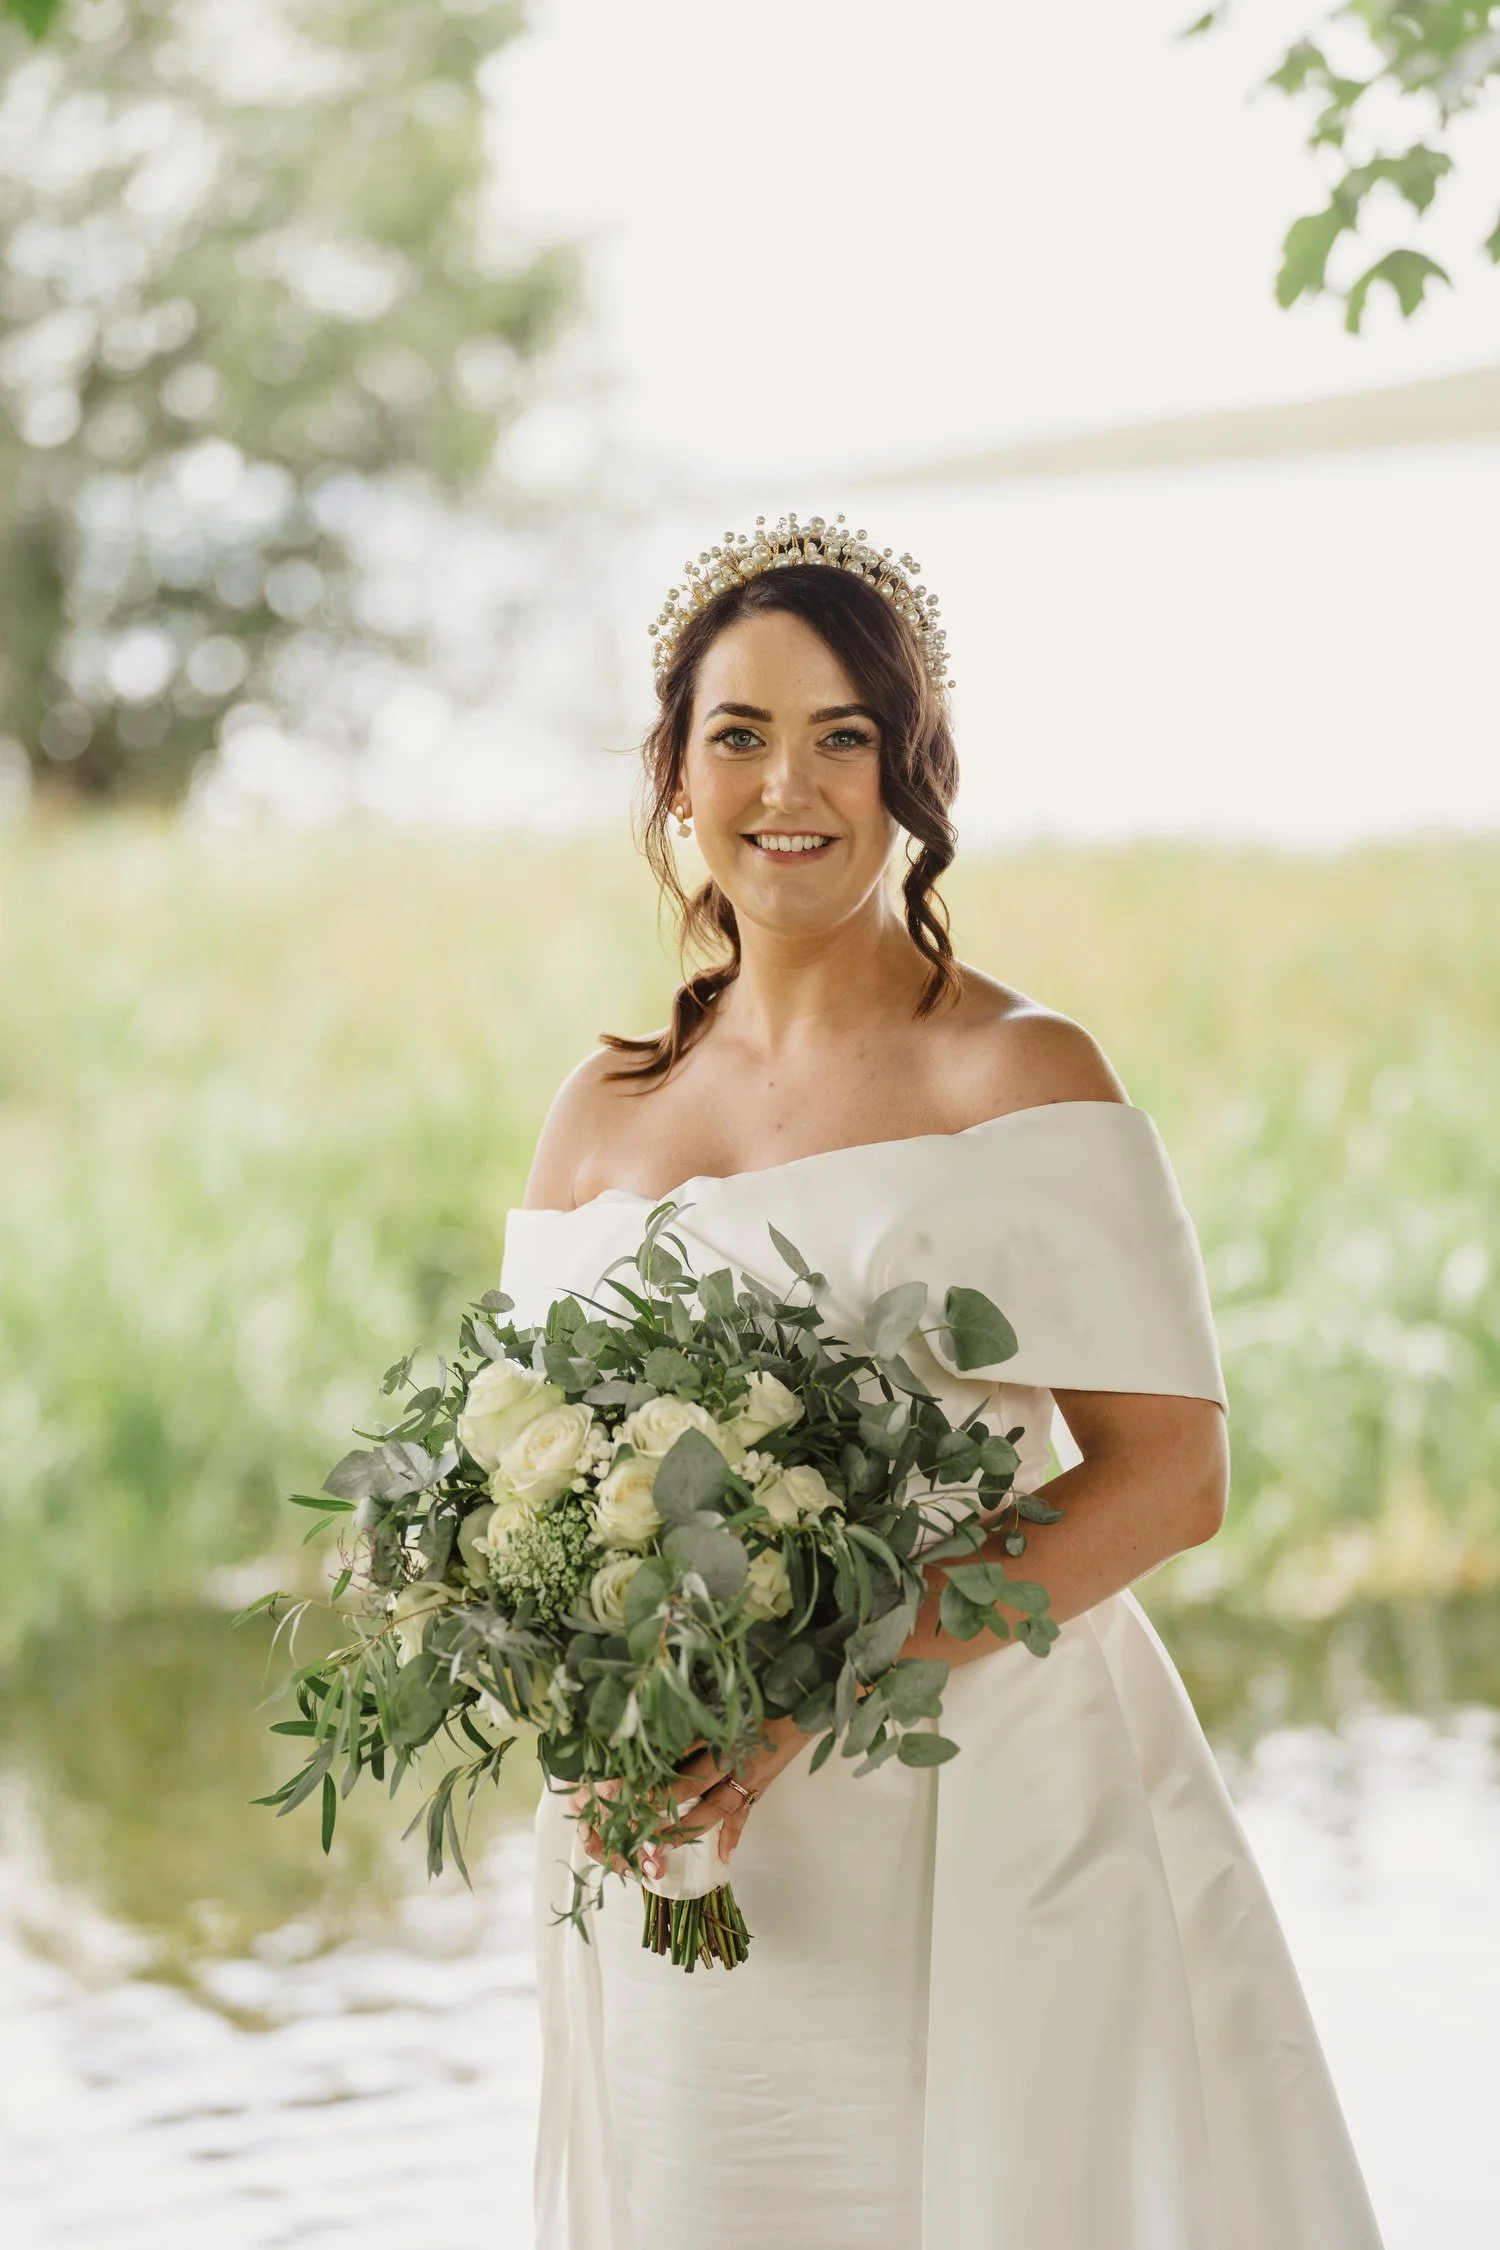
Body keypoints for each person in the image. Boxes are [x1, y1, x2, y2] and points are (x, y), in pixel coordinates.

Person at [500, 517, 1385, 2250]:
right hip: (680, 1832)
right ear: (675, 773)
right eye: (740, 732)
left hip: (972, 1802)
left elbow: (1168, 1474)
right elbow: (527, 1464)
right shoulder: (597, 1108)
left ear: (913, 766)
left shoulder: (1019, 1069)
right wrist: (594, 1696)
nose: (790, 783)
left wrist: (815, 1681)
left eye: (845, 733)